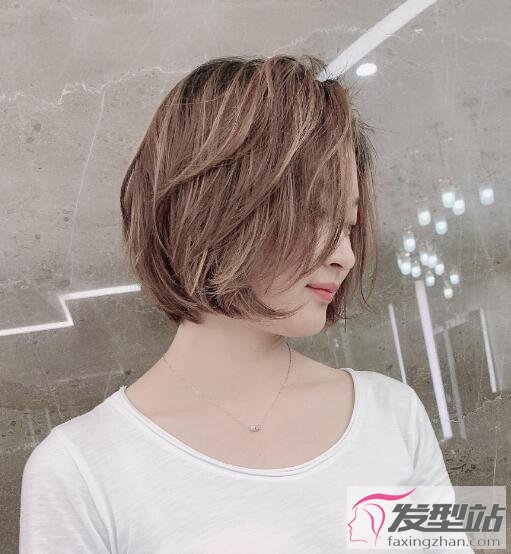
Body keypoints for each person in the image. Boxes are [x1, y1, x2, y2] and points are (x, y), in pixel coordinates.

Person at [19, 54, 473, 553]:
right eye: (315, 217)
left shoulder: (392, 416)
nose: (344, 256)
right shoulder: (82, 470)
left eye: (348, 227)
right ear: (212, 210)